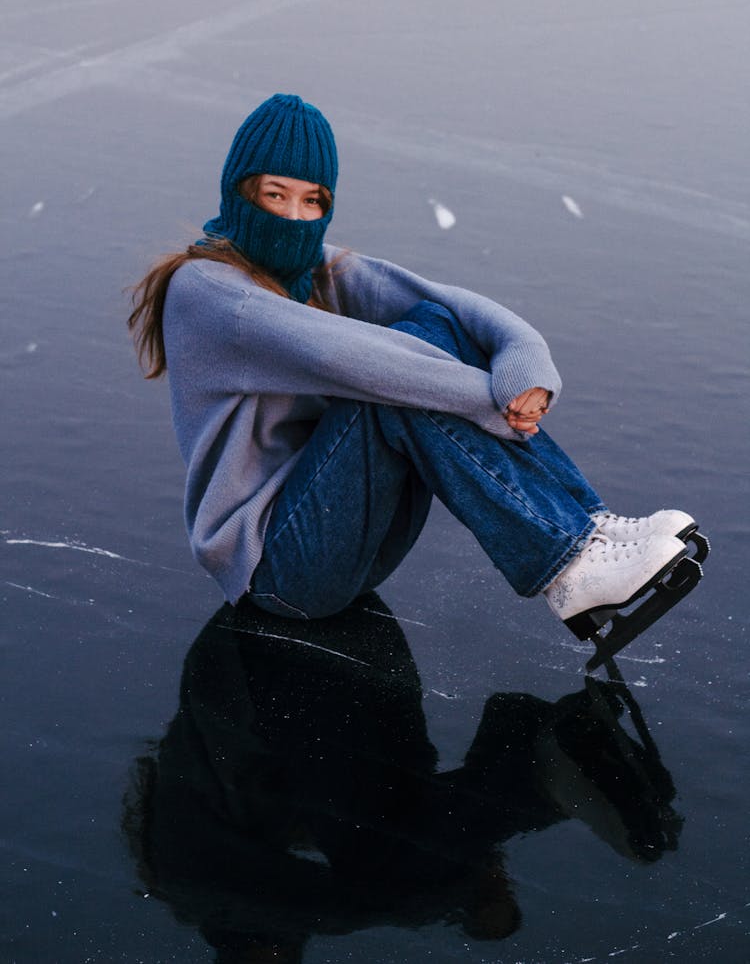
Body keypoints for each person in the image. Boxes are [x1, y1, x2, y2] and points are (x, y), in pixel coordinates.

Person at [128, 92, 698, 644]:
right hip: (275, 573)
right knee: (388, 386)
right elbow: (354, 360)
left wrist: (527, 365)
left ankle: (585, 528)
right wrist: (492, 403)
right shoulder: (207, 291)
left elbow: (450, 306)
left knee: (433, 325)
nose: (295, 217)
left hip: (352, 542)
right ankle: (568, 564)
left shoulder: (314, 269)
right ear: (240, 195)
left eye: (312, 202)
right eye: (275, 196)